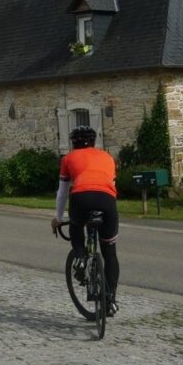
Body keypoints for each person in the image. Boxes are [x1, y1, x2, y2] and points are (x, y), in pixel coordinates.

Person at [52, 125, 120, 314]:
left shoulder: (68, 159)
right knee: (110, 253)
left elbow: (62, 192)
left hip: (81, 198)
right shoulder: (108, 157)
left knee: (76, 225)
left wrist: (57, 218)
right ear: (94, 142)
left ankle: (81, 255)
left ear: (73, 143)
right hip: (107, 201)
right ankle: (111, 300)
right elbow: (112, 185)